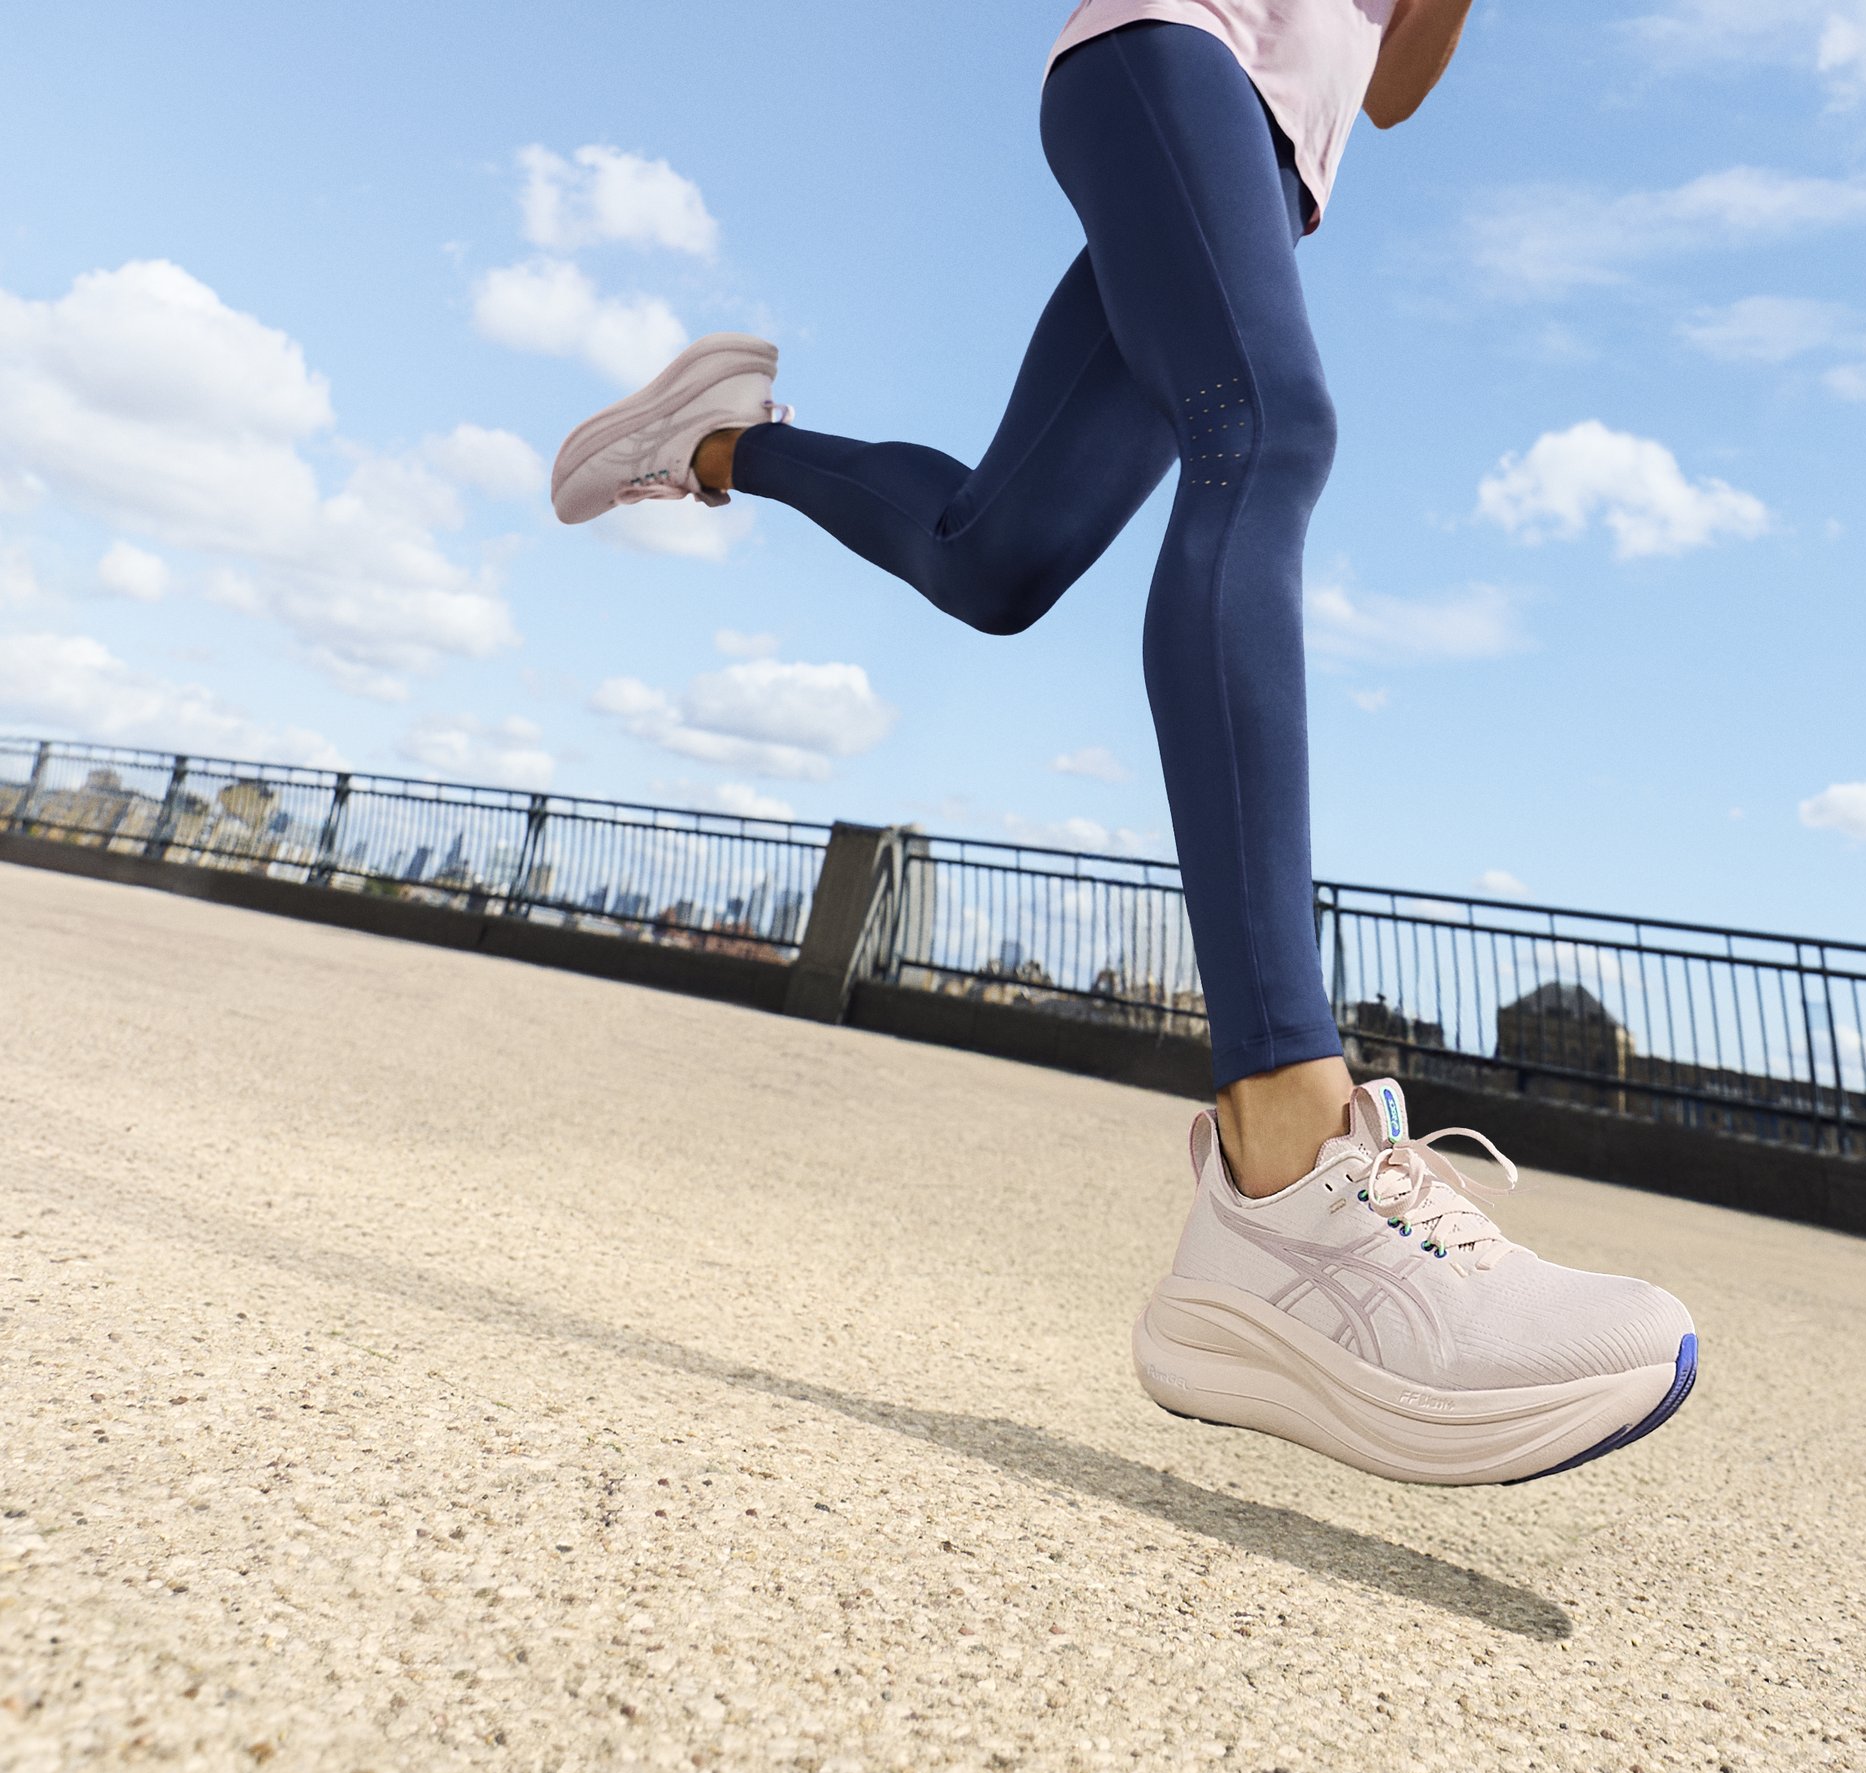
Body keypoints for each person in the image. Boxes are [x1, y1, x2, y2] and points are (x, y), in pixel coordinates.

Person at [550, 0, 1696, 1485]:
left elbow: (1397, 90)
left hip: (1269, 164)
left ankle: (721, 437)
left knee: (998, 554)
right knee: (1265, 432)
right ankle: (1285, 1147)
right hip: (1168, 51)